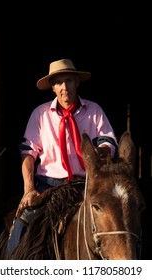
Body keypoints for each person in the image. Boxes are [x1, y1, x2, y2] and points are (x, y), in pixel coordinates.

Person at [7, 58, 118, 255]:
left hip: (87, 184)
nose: (64, 87)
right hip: (49, 186)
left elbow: (108, 143)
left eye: (69, 80)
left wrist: (101, 152)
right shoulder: (40, 115)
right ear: (52, 87)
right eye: (58, 82)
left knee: (119, 216)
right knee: (23, 219)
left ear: (77, 82)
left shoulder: (94, 111)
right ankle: (9, 266)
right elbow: (29, 153)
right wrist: (29, 189)